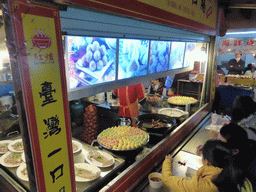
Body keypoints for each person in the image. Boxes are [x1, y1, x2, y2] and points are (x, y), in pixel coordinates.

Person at [163, 139, 253, 192]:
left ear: (208, 162)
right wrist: (208, 150)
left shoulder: (203, 185)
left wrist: (167, 161)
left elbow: (167, 179)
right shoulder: (237, 168)